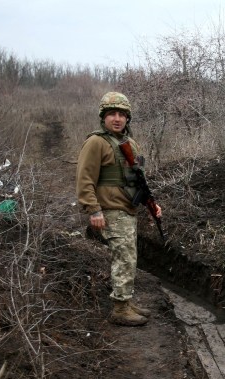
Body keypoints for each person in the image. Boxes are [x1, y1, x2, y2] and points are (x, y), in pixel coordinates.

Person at [76, 91, 162, 326]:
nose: (117, 118)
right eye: (112, 114)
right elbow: (84, 179)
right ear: (103, 117)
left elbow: (137, 180)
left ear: (127, 118)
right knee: (123, 258)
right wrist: (93, 210)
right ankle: (120, 308)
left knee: (129, 257)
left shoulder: (129, 143)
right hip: (111, 210)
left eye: (121, 114)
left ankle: (126, 301)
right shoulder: (96, 142)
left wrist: (152, 205)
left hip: (127, 209)